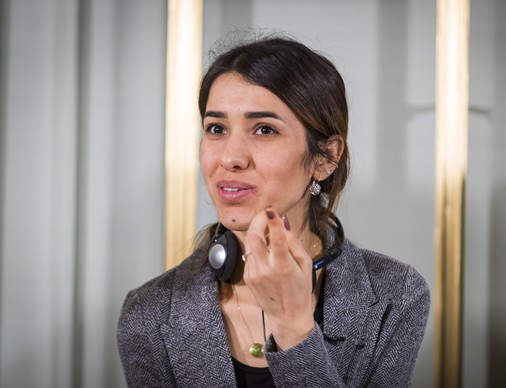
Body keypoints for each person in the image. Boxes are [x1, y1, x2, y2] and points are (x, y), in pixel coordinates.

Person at [117, 34, 430, 387]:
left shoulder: (395, 296)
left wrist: (294, 328)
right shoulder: (149, 314)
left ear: (326, 158)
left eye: (264, 129)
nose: (231, 158)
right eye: (216, 128)